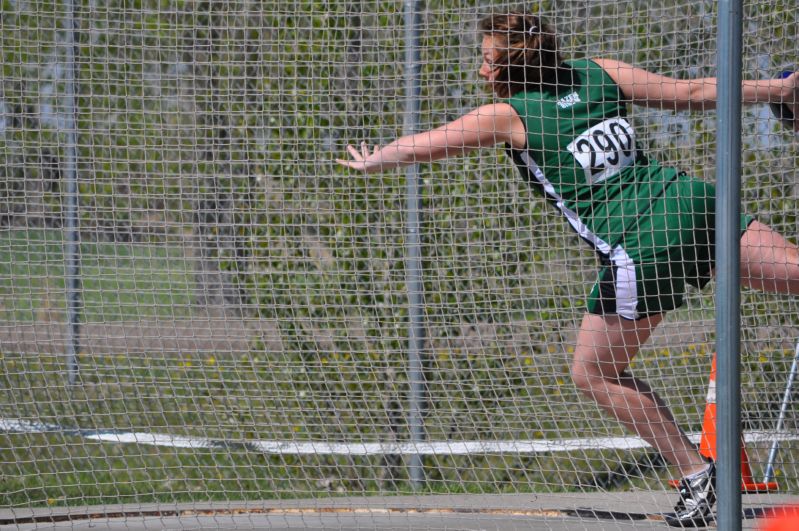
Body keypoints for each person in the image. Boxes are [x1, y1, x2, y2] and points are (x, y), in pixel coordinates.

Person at [337, 11, 799, 527]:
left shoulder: (507, 114)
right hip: (692, 202)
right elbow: (691, 92)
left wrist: (376, 160)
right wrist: (776, 90)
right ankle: (697, 473)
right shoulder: (598, 70)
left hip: (642, 243)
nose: (480, 68)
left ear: (514, 61)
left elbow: (436, 141)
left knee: (593, 372)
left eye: (487, 58)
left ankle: (696, 472)